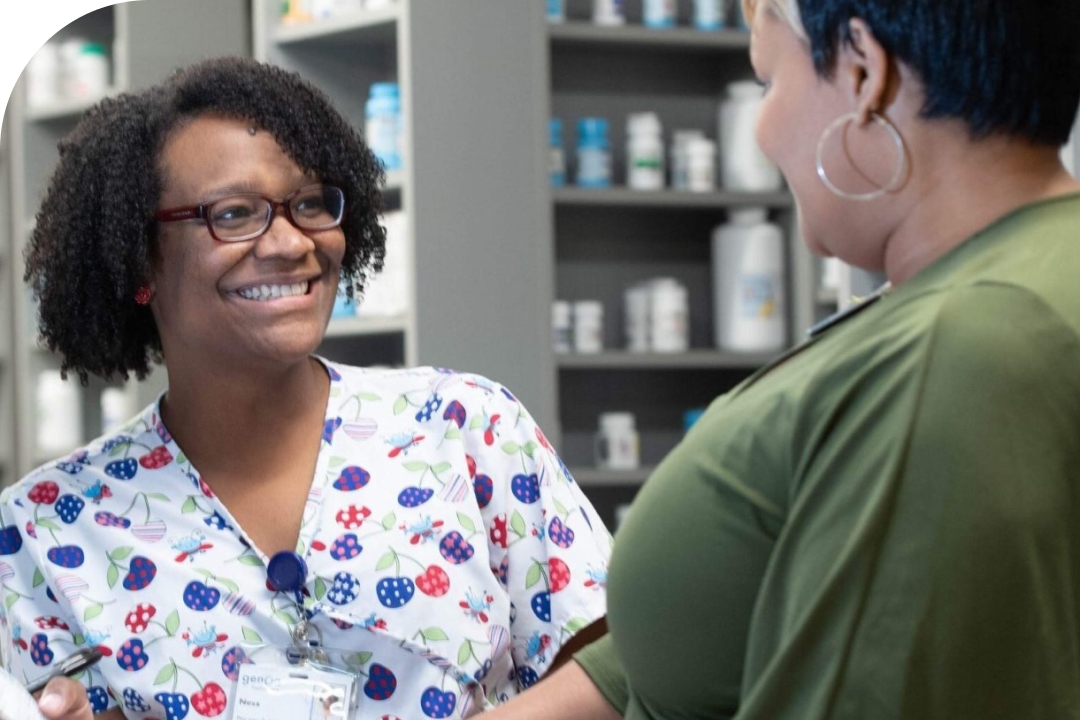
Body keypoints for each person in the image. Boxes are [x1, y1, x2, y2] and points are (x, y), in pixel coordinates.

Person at [481, 0, 1080, 718]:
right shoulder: (1007, 279)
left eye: (769, 82)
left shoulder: (956, 349)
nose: (764, 134)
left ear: (864, 73)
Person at [0, 57, 612, 720]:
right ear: (139, 259)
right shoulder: (44, 528)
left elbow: (624, 670)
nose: (293, 243)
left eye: (311, 204)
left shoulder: (463, 427)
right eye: (235, 213)